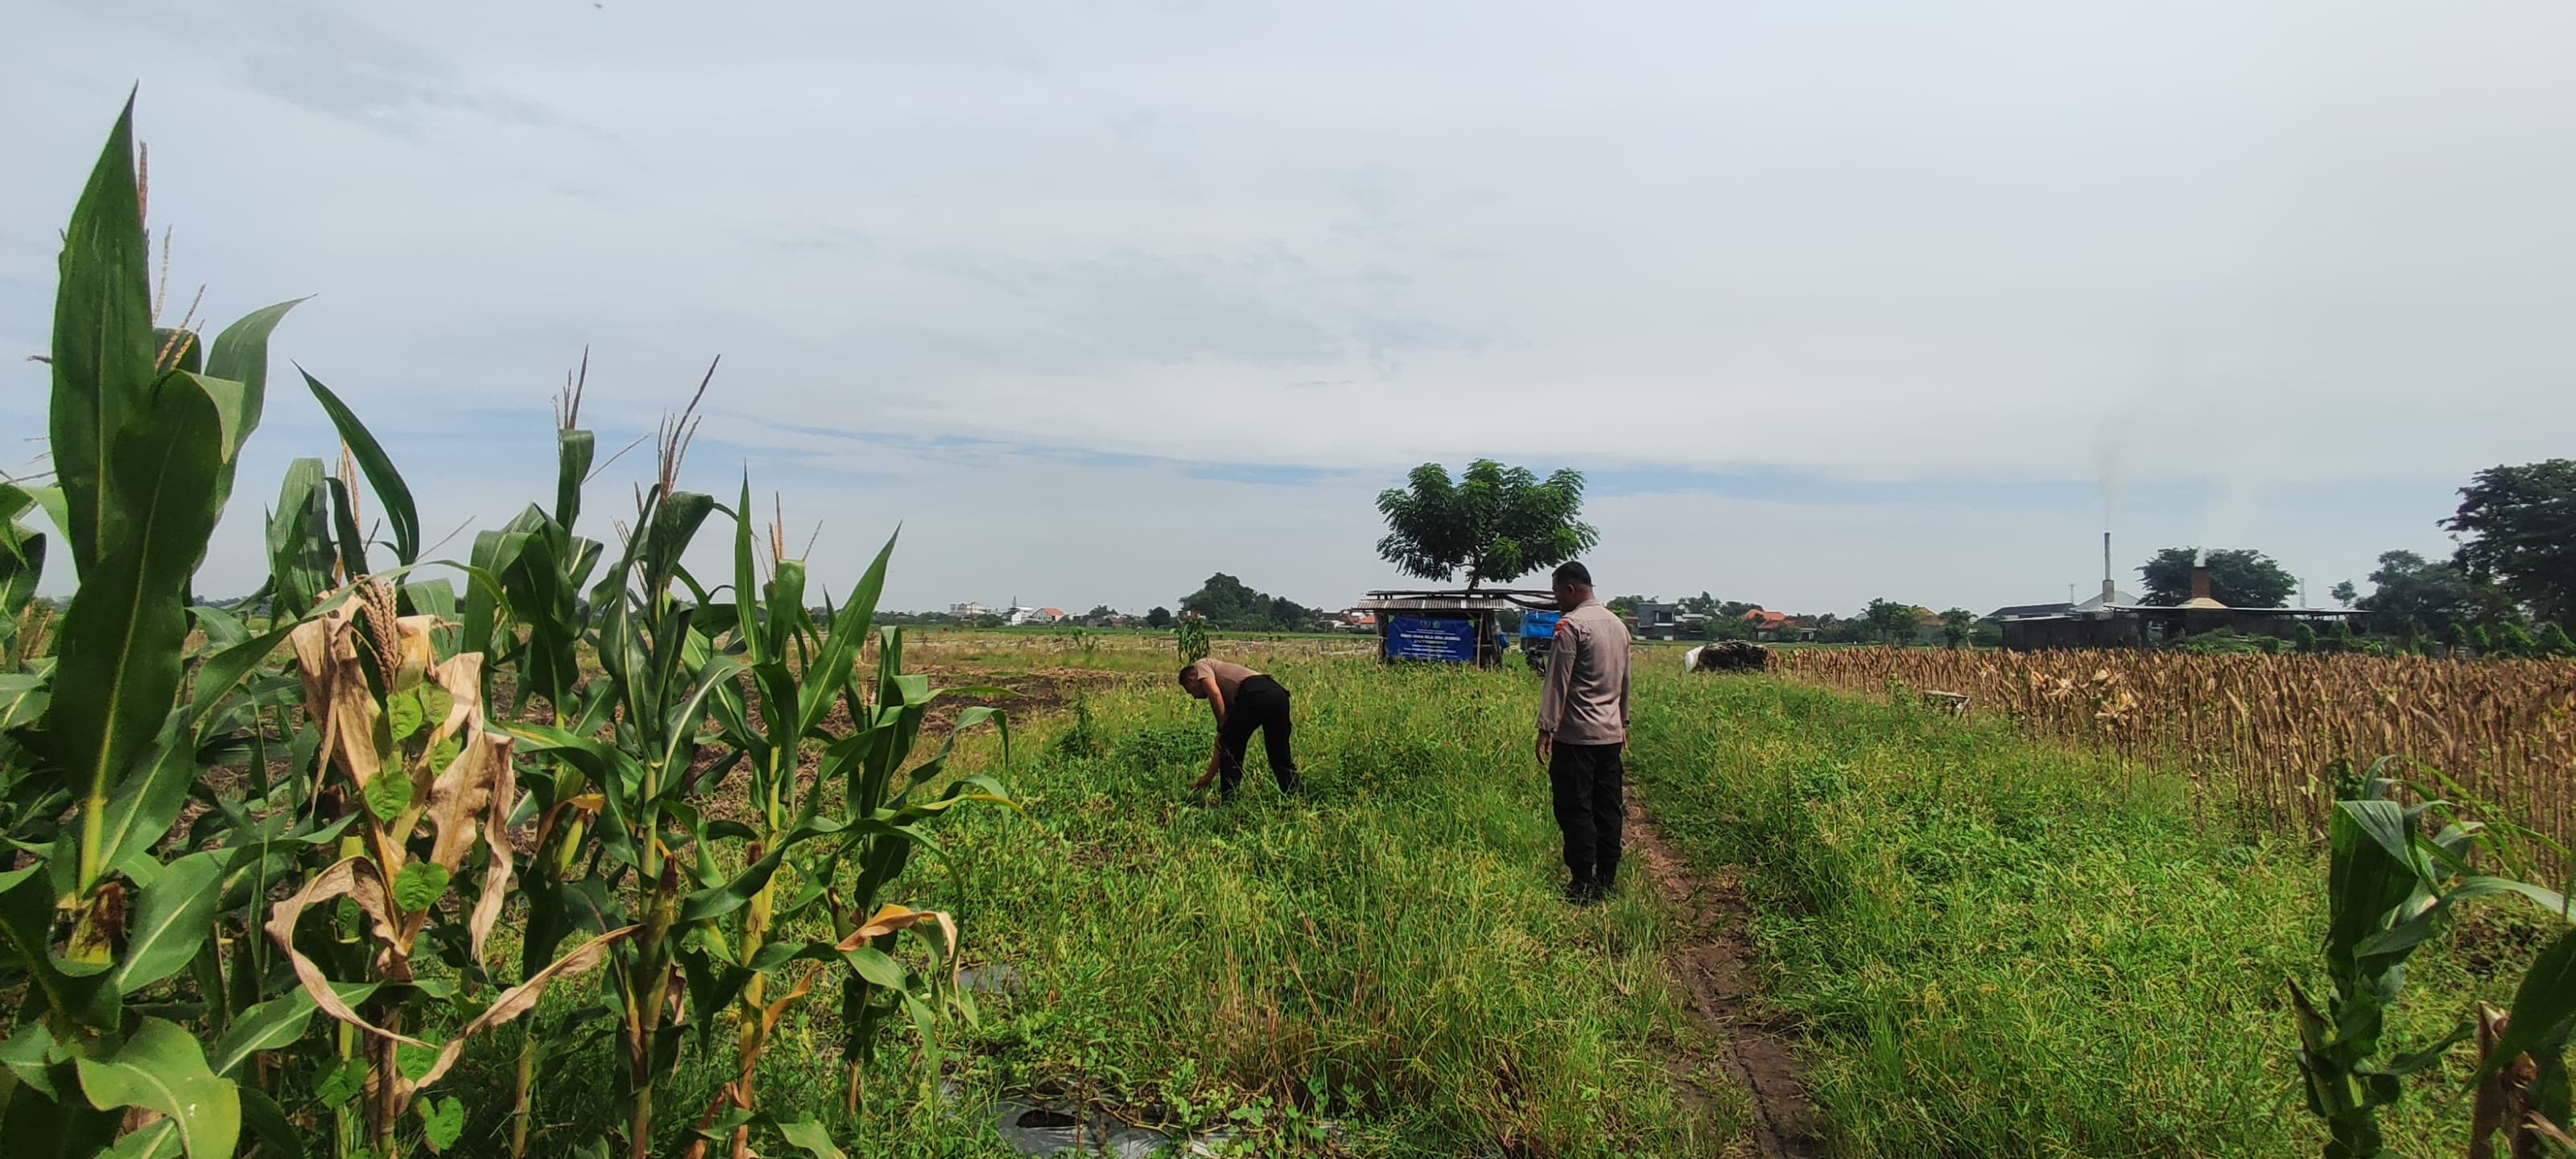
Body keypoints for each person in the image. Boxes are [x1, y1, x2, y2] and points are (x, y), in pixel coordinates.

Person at [1535, 560, 1631, 905]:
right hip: (1610, 735)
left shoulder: (1571, 626)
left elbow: (1556, 682)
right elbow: (1625, 681)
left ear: (1571, 589)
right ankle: (1607, 879)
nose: (1556, 599)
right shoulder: (1618, 626)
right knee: (1608, 807)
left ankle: (1582, 883)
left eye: (1557, 592)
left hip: (1576, 737)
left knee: (1575, 808)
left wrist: (1546, 727)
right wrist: (1624, 723)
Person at [1179, 658, 1300, 798]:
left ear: (1192, 680)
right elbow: (1221, 744)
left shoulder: (1201, 666)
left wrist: (1222, 728)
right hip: (1278, 694)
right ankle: (1294, 797)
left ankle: (1229, 801)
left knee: (1231, 747)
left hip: (1255, 692)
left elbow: (1214, 694)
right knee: (1279, 752)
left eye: (1190, 691)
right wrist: (1208, 778)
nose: (1194, 697)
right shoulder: (1231, 696)